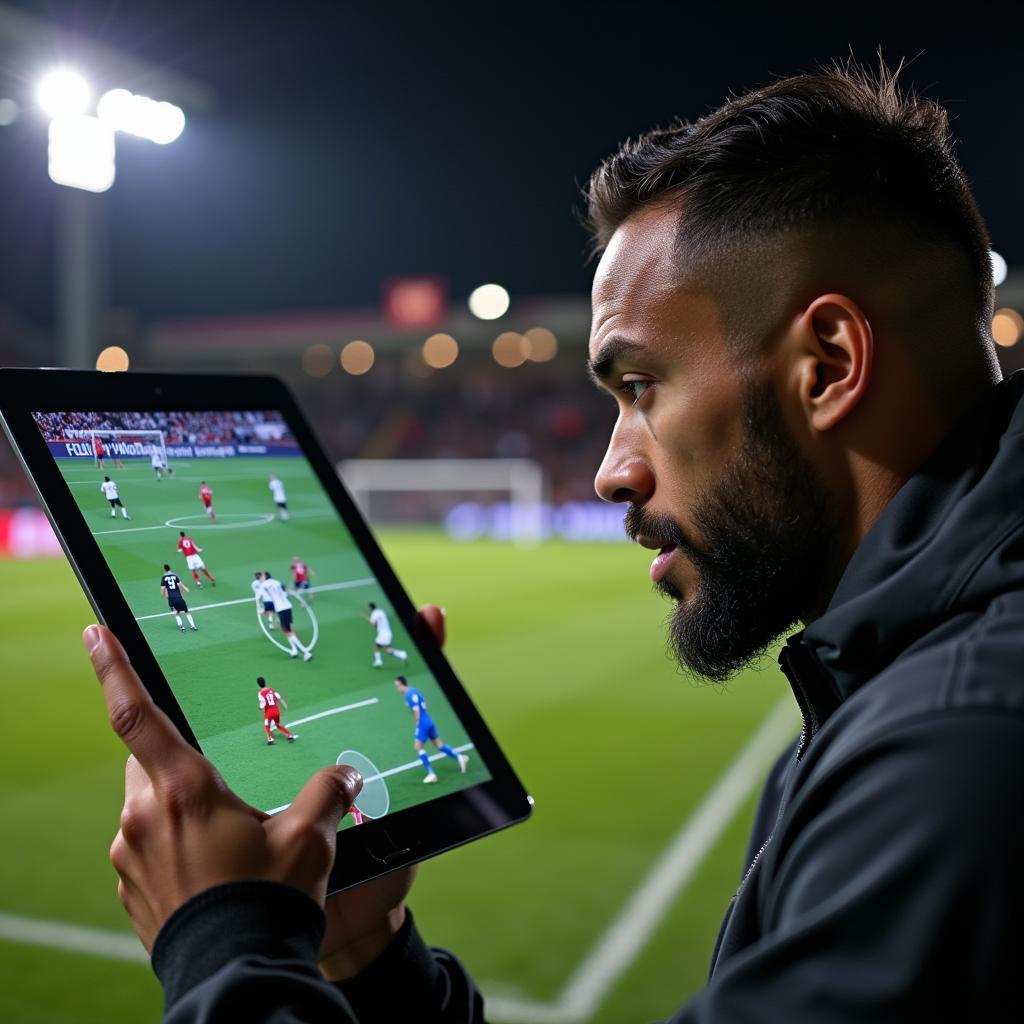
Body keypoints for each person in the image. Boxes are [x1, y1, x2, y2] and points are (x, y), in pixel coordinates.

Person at [83, 63, 1023, 1021]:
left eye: (641, 385)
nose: (612, 468)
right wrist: (368, 960)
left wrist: (223, 944)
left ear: (827, 364)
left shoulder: (959, 756)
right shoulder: (902, 678)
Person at [394, 675, 468, 783]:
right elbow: (425, 704)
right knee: (439, 745)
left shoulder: (408, 696)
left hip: (423, 724)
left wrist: (418, 723)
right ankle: (459, 757)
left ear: (402, 684)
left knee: (418, 747)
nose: (397, 689)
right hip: (429, 721)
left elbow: (416, 711)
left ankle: (431, 774)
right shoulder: (414, 690)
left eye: (397, 686)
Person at [263, 571, 313, 661]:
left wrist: (263, 610)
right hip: (287, 606)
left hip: (281, 609)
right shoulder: (277, 582)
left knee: (287, 631)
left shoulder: (265, 585)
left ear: (265, 577)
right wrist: (301, 601)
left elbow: (268, 601)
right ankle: (294, 650)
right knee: (287, 629)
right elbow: (287, 591)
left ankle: (306, 652)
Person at [257, 677, 298, 745]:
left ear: (258, 685)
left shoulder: (260, 693)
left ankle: (270, 739)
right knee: (277, 725)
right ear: (265, 683)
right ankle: (289, 735)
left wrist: (260, 708)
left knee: (266, 725)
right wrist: (285, 706)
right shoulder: (272, 690)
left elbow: (262, 705)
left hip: (269, 713)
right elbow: (280, 698)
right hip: (276, 711)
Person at [367, 601, 408, 668]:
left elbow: (373, 622)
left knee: (377, 647)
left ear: (370, 608)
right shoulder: (381, 611)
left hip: (383, 634)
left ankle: (378, 662)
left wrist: (371, 621)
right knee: (388, 650)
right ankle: (402, 654)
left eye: (368, 608)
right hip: (388, 632)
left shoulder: (374, 614)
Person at [160, 564, 197, 633]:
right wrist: (185, 589)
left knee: (176, 613)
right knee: (187, 612)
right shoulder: (175, 576)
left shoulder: (164, 577)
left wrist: (163, 595)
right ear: (170, 568)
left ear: (164, 569)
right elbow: (180, 585)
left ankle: (181, 627)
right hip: (179, 597)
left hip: (171, 599)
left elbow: (162, 588)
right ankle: (193, 626)